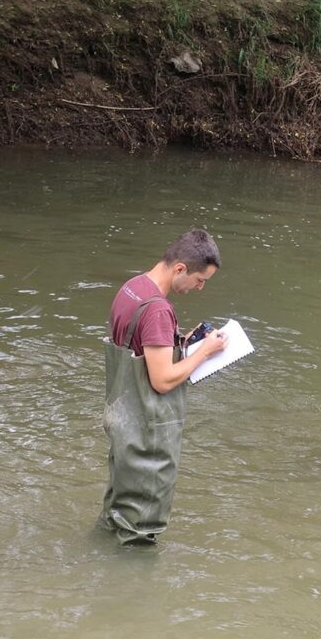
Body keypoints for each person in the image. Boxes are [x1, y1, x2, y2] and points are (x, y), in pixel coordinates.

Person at [99, 228, 229, 544]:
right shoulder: (158, 309)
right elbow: (162, 380)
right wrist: (204, 352)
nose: (200, 288)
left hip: (122, 422)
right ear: (179, 268)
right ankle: (134, 588)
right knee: (139, 530)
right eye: (200, 280)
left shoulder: (132, 288)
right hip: (147, 433)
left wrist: (180, 343)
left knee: (118, 511)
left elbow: (137, 346)